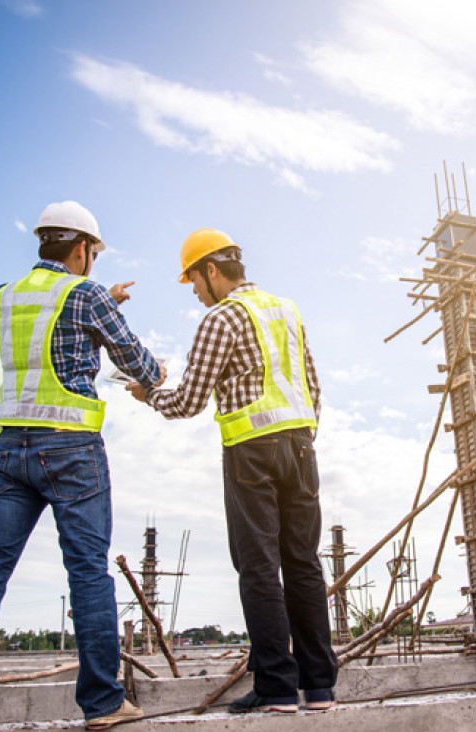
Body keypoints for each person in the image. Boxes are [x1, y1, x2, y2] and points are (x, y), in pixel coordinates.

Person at [0, 201, 163, 731]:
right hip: (71, 450)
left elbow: (51, 319)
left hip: (9, 452)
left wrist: (103, 300)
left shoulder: (3, 296)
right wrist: (153, 371)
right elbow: (139, 362)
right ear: (83, 249)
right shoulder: (85, 294)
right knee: (87, 572)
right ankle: (103, 705)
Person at [126, 228, 338, 713]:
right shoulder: (286, 310)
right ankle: (320, 687)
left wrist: (149, 395)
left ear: (212, 270)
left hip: (251, 452)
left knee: (258, 565)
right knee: (304, 564)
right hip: (302, 447)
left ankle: (278, 688)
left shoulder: (220, 319)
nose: (196, 292)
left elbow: (187, 401)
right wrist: (301, 437)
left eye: (194, 282)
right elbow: (312, 386)